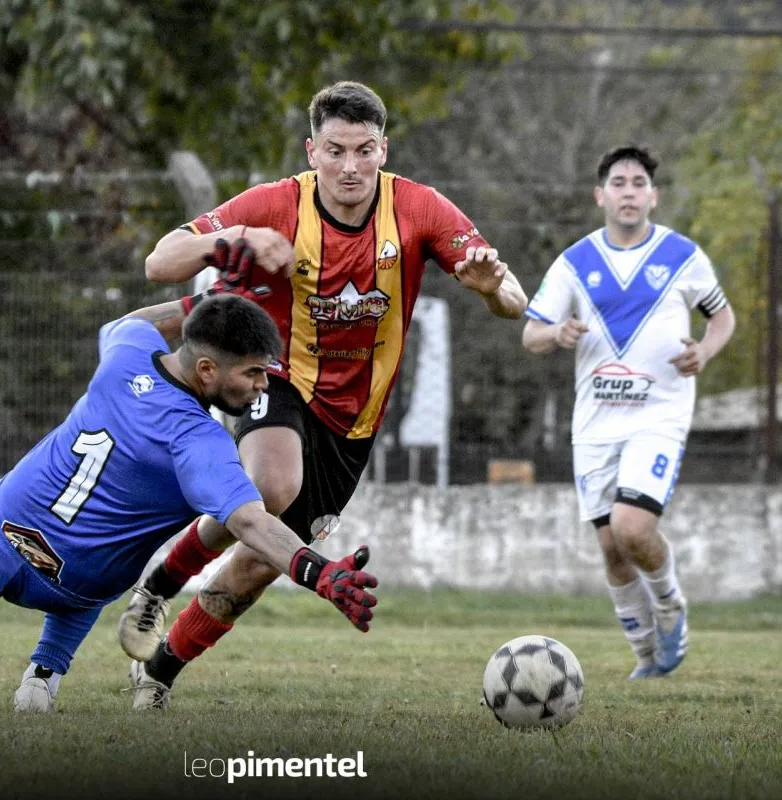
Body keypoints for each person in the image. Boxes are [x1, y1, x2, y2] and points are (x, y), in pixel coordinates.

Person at [116, 80, 528, 710]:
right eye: (335, 150)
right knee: (270, 491)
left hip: (354, 420)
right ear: (312, 151)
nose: (350, 167)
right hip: (277, 377)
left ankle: (162, 667)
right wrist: (233, 243)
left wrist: (490, 288)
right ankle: (159, 582)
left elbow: (515, 303)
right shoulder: (278, 204)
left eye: (364, 150)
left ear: (383, 150)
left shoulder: (420, 210)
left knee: (259, 563)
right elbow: (160, 261)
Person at [0, 287, 379, 712]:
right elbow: (253, 524)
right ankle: (42, 678)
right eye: (254, 373)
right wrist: (321, 574)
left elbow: (127, 321)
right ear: (208, 370)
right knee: (93, 572)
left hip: (5, 531)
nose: (263, 386)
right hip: (82, 580)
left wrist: (197, 301)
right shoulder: (200, 442)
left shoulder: (126, 354)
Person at [521, 145, 736, 679]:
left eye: (639, 183)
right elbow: (531, 334)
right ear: (601, 196)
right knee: (612, 550)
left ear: (653, 196)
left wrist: (704, 351)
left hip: (658, 415)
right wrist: (557, 332)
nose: (629, 192)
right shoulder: (575, 262)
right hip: (596, 424)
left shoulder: (683, 256)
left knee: (632, 528)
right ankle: (648, 659)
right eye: (619, 183)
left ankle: (670, 606)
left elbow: (723, 317)